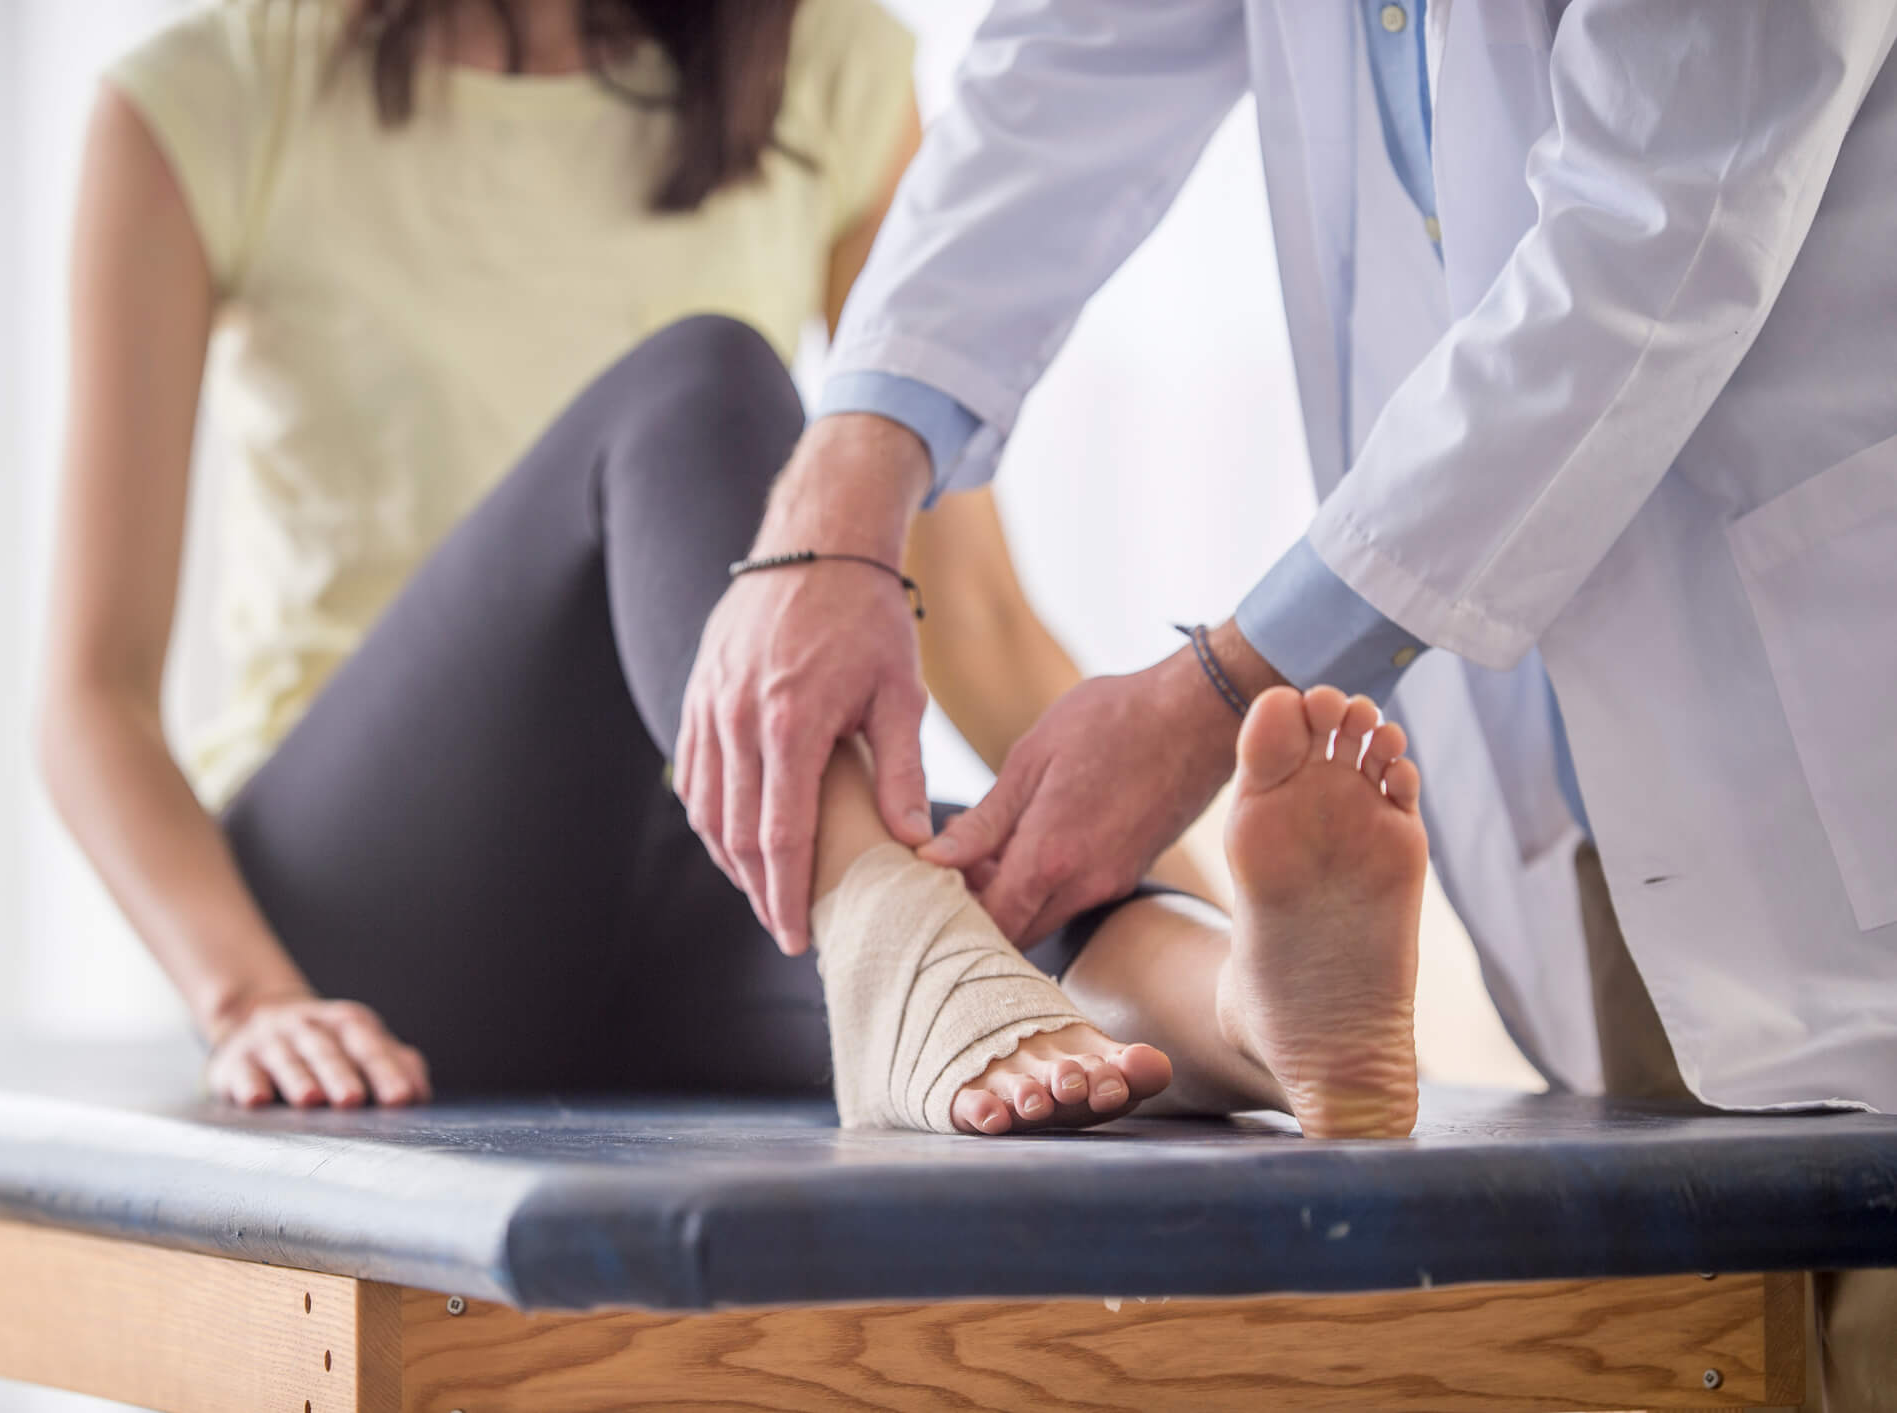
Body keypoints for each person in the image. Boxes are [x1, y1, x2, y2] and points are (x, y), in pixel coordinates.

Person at [681, 1, 1897, 1402]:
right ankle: (1244, 1007)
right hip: (1566, 731)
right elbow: (1078, 56)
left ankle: (1228, 999)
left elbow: (1659, 228)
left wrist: (1220, 689)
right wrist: (846, 474)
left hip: (1816, 685)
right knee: (1706, 1341)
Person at [39, 0, 1279, 1132]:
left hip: (703, 859)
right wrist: (245, 997)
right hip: (382, 911)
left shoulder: (827, 63)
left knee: (1018, 893)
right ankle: (889, 931)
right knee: (699, 385)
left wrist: (1177, 882)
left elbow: (967, 613)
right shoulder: (207, 98)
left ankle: (1259, 1014)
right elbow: (92, 695)